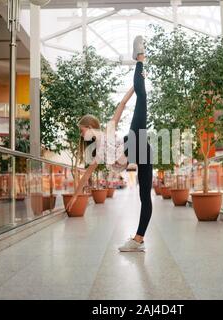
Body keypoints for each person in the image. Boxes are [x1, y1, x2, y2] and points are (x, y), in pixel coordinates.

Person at [67, 36, 152, 252]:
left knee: (141, 100)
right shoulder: (98, 153)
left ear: (89, 126)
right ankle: (138, 240)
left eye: (82, 130)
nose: (82, 134)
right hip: (138, 150)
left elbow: (123, 104)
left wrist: (135, 86)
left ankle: (140, 59)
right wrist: (76, 196)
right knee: (144, 197)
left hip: (136, 144)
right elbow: (87, 175)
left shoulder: (108, 130)